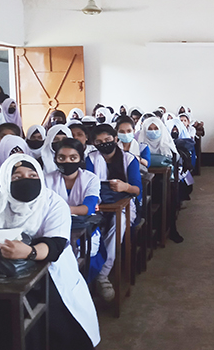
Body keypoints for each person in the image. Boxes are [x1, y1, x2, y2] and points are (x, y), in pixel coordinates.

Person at [0, 155, 101, 348]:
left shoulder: (54, 204)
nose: (26, 180)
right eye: (17, 177)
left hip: (49, 273)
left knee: (55, 329)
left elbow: (56, 245)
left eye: (32, 175)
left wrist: (29, 252)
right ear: (5, 180)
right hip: (6, 271)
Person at [86, 124, 142, 300]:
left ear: (115, 139)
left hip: (125, 203)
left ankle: (102, 274)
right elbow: (87, 185)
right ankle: (86, 272)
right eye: (99, 142)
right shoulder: (91, 158)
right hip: (99, 203)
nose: (104, 144)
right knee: (89, 228)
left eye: (108, 140)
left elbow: (137, 190)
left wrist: (125, 186)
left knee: (118, 225)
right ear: (94, 144)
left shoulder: (129, 159)